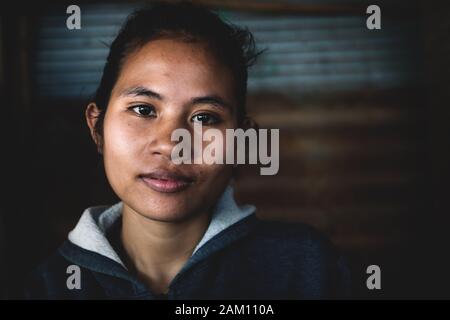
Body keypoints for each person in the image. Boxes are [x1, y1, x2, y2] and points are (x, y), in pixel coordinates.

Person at [23, 1, 350, 299]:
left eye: (205, 118)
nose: (170, 144)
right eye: (143, 110)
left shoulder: (309, 271)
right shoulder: (47, 287)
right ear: (97, 128)